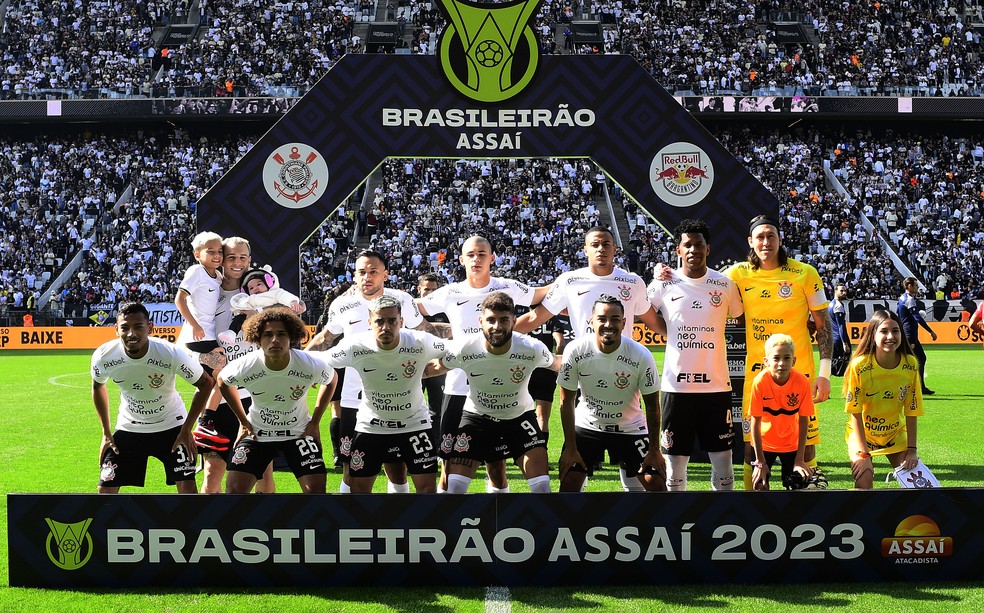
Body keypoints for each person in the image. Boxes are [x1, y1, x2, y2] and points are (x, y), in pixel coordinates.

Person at [417, 235, 543, 492]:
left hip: (498, 386)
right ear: (462, 259)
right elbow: (412, 308)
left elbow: (543, 295)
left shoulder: (508, 287)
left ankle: (497, 517)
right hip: (458, 387)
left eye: (482, 254)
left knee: (497, 465)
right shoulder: (451, 292)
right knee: (449, 463)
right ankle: (448, 519)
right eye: (471, 254)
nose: (476, 259)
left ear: (492, 257)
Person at [306, 249, 433, 493]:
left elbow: (425, 331)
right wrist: (301, 361)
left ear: (385, 274)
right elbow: (326, 337)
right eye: (361, 272)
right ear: (354, 275)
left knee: (397, 467)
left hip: (401, 396)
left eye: (373, 272)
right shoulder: (342, 304)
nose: (367, 277)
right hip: (355, 400)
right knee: (350, 465)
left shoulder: (402, 300)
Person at [430, 292, 560, 493]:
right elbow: (433, 368)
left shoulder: (531, 348)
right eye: (490, 320)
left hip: (519, 419)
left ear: (514, 321)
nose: (497, 327)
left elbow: (557, 364)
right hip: (477, 419)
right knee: (454, 487)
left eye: (504, 320)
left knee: (542, 487)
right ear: (481, 321)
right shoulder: (465, 348)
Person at [646, 219, 742, 491]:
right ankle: (678, 523)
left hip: (716, 387)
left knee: (723, 465)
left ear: (708, 249)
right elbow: (641, 309)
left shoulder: (724, 285)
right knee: (675, 469)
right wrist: (667, 332)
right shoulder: (663, 284)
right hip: (677, 388)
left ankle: (722, 522)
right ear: (678, 251)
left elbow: (737, 313)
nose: (693, 250)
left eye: (698, 244)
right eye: (687, 245)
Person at [316, 295, 446, 493]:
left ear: (401, 322)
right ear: (370, 322)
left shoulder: (421, 341)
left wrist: (431, 369)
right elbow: (320, 360)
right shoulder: (355, 345)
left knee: (427, 492)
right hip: (371, 427)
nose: (386, 326)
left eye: (392, 321)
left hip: (414, 425)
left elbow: (455, 353)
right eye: (379, 321)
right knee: (358, 491)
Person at [91, 302, 213, 493]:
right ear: (116, 330)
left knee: (188, 490)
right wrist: (106, 433)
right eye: (124, 327)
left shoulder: (170, 353)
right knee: (105, 490)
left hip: (172, 427)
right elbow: (98, 387)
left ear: (150, 328)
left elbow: (206, 383)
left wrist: (187, 429)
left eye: (138, 327)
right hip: (129, 426)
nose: (131, 334)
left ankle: (189, 523)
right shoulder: (104, 356)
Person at [217, 307, 335, 494]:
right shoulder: (246, 365)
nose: (274, 340)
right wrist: (242, 421)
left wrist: (315, 423)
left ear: (292, 337)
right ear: (257, 338)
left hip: (299, 433)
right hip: (257, 434)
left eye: (281, 334)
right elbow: (223, 382)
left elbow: (331, 379)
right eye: (267, 335)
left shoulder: (309, 363)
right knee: (234, 491)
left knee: (316, 491)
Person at [557, 297, 665, 492]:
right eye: (602, 319)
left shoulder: (641, 354)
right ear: (591, 321)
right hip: (587, 426)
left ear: (624, 323)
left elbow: (652, 406)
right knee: (569, 482)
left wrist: (654, 450)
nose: (609, 325)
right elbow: (566, 401)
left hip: (631, 428)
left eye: (615, 319)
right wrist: (571, 449)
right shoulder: (575, 350)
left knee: (655, 484)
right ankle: (572, 523)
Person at [516, 226, 661, 340]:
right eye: (595, 244)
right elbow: (534, 318)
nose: (601, 249)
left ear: (614, 249)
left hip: (623, 366)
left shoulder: (633, 282)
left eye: (606, 244)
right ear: (585, 250)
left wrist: (682, 334)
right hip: (584, 366)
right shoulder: (569, 281)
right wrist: (498, 336)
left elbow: (654, 322)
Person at [844, 310, 924, 489]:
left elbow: (912, 411)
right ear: (873, 335)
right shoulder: (861, 365)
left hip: (894, 433)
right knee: (864, 481)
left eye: (895, 331)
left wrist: (912, 450)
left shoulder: (910, 363)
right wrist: (864, 455)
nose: (890, 336)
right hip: (864, 435)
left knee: (916, 483)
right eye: (884, 331)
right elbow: (855, 413)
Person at [748, 334, 813, 491]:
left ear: (794, 360)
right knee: (759, 485)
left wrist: (799, 459)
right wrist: (760, 462)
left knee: (797, 486)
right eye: (776, 358)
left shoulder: (802, 382)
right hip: (764, 445)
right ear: (766, 361)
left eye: (786, 358)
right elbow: (755, 423)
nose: (781, 363)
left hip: (791, 444)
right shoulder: (760, 382)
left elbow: (804, 420)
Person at [175, 231, 225, 359]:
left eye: (220, 251)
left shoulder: (219, 276)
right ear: (197, 255)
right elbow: (179, 300)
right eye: (211, 252)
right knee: (210, 376)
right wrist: (195, 325)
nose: (217, 255)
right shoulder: (197, 271)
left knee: (217, 375)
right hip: (199, 336)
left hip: (212, 334)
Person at [417, 272, 449, 455]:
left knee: (437, 410)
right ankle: (416, 448)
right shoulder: (409, 310)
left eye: (433, 290)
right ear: (419, 289)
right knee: (412, 409)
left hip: (438, 367)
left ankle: (436, 448)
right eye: (426, 289)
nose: (429, 293)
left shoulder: (444, 312)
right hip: (414, 367)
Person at [896, 276, 938, 395]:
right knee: (910, 360)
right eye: (915, 285)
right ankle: (908, 386)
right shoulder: (909, 299)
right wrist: (931, 331)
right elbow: (917, 317)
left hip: (907, 333)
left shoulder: (901, 298)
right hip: (910, 334)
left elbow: (900, 315)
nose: (917, 287)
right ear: (909, 286)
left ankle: (919, 386)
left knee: (916, 358)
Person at [829, 283, 852, 377]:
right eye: (841, 291)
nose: (844, 293)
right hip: (839, 338)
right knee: (847, 364)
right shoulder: (838, 306)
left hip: (833, 338)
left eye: (845, 291)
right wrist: (845, 343)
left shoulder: (831, 303)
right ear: (835, 291)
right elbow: (841, 326)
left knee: (832, 363)